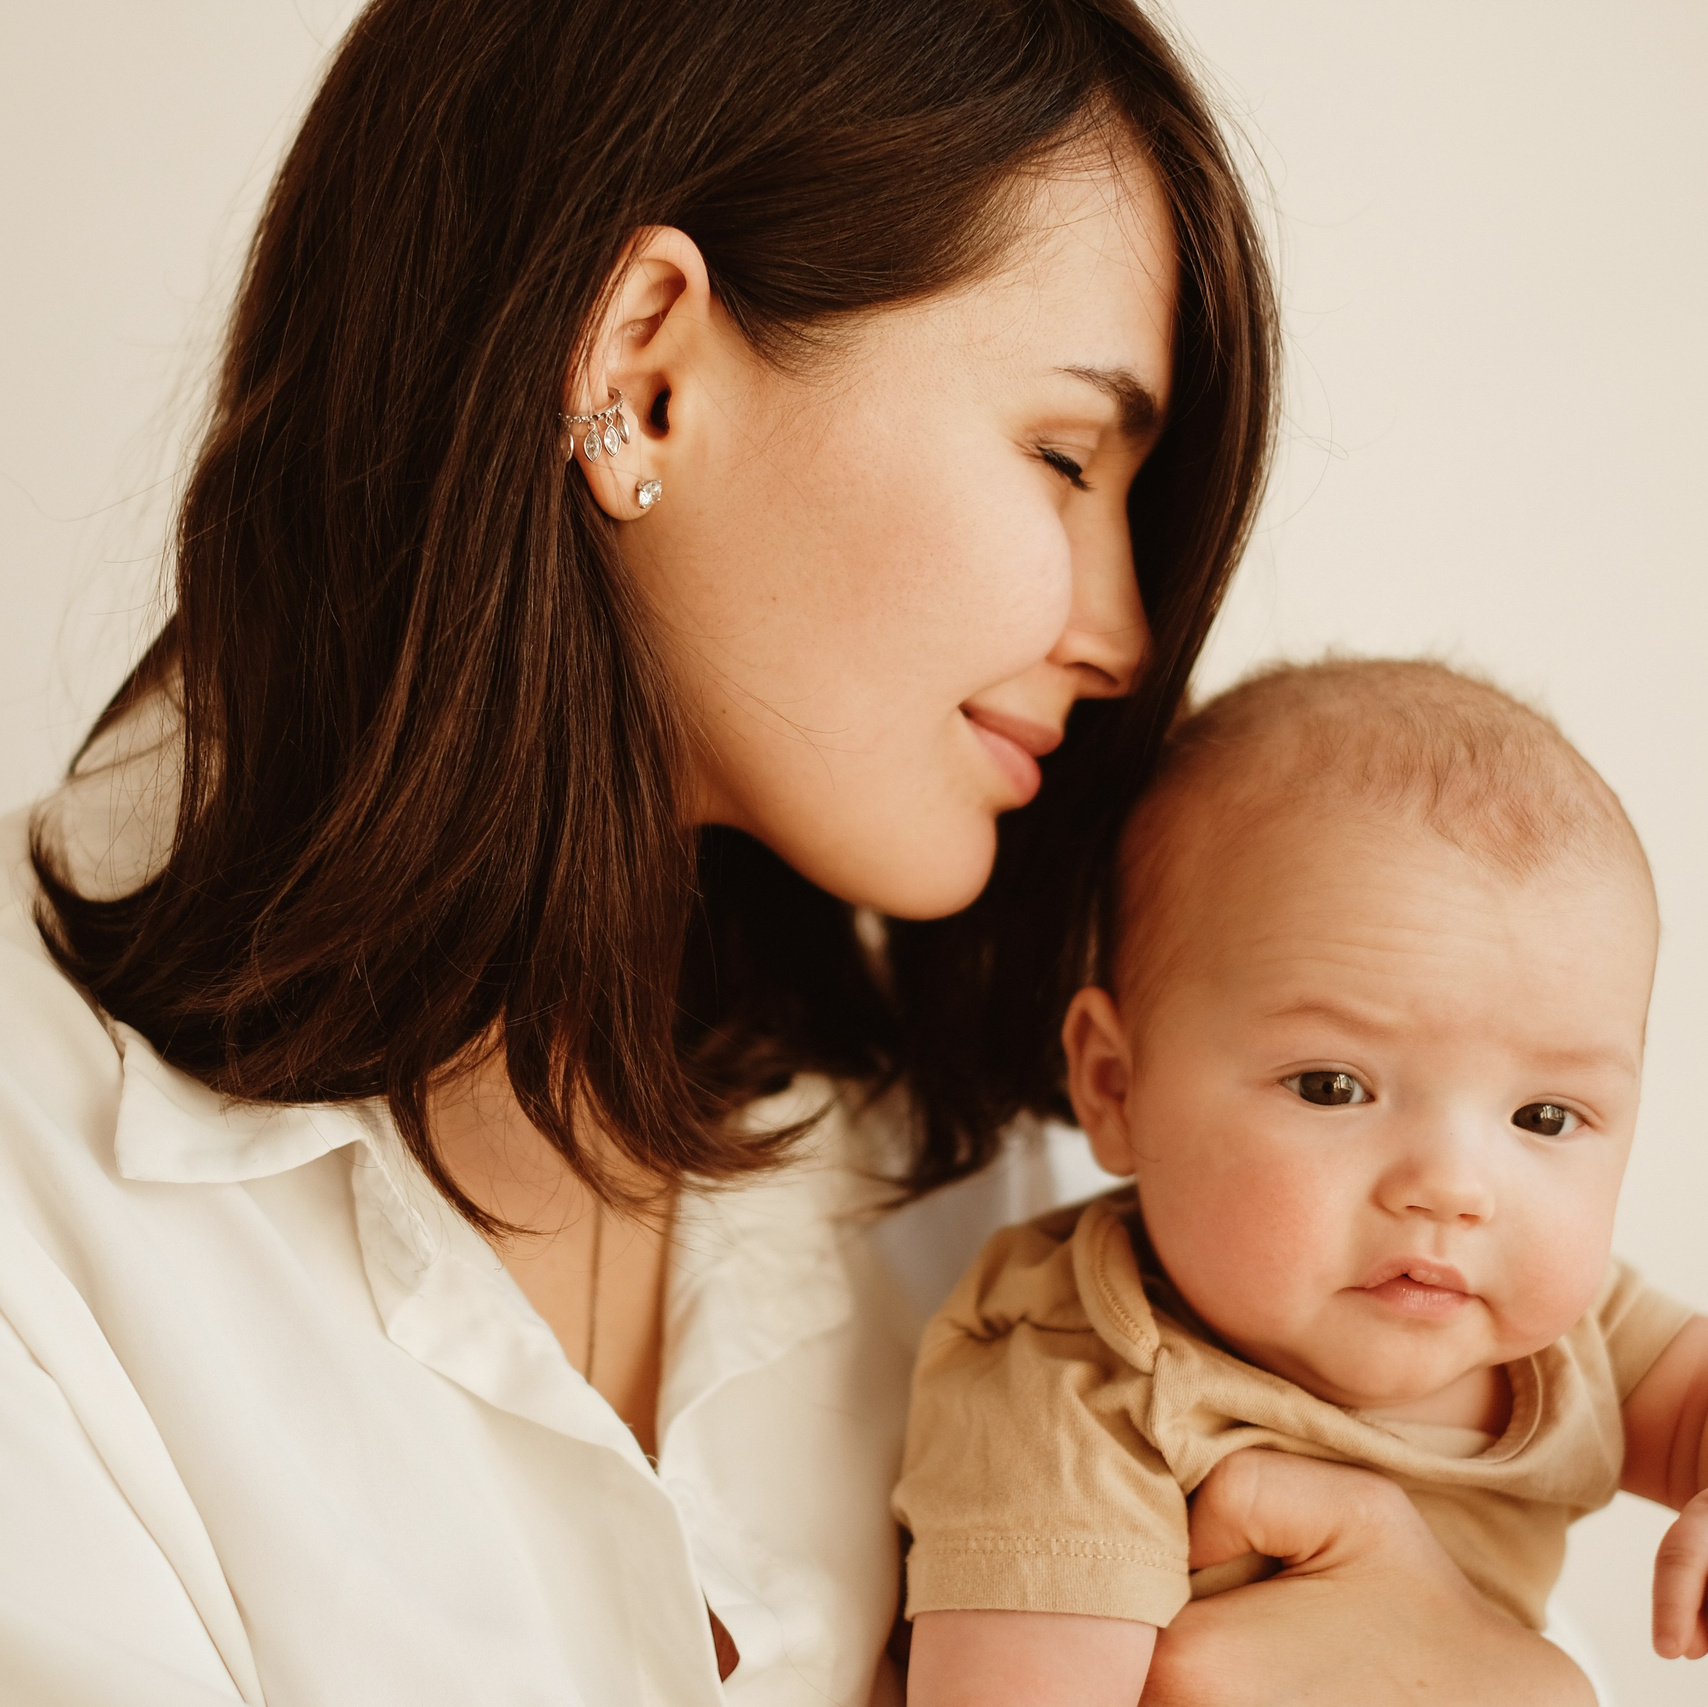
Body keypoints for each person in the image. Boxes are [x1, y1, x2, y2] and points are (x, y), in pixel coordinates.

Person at [0, 0, 1597, 1701]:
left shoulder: (971, 1166)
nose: (1127, 634)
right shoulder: (46, 1205)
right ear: (644, 374)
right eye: (1063, 456)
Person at [897, 658, 1708, 1704]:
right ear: (1115, 1085)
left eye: (1543, 1117)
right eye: (1333, 1086)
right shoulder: (1081, 1392)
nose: (1453, 1189)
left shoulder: (1569, 1336)